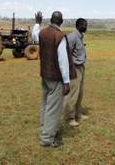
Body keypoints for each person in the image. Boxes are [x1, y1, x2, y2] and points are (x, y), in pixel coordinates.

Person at [38, 11, 77, 148]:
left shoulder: (43, 32)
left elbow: (34, 36)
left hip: (45, 75)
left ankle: (44, 130)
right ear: (61, 21)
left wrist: (37, 23)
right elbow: (63, 62)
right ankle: (47, 139)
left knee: (45, 104)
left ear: (50, 20)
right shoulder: (59, 36)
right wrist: (66, 82)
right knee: (53, 108)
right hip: (55, 77)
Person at [64, 18, 89, 127]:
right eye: (85, 25)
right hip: (74, 68)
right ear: (79, 25)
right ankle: (69, 118)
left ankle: (77, 114)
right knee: (73, 93)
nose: (86, 27)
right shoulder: (72, 37)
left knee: (80, 92)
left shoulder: (79, 36)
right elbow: (66, 53)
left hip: (81, 67)